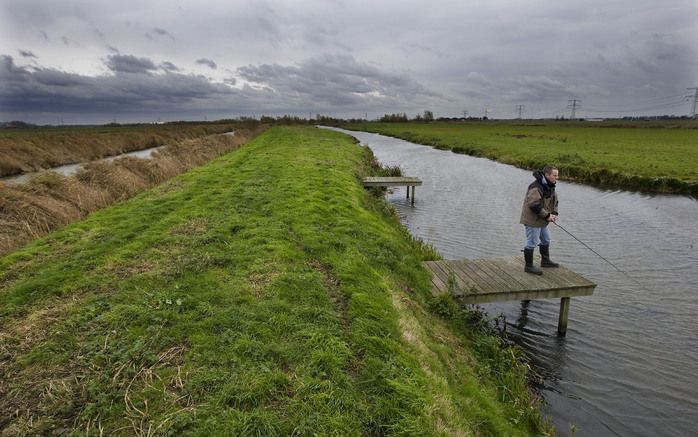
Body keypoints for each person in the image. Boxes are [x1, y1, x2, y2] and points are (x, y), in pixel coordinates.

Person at [520, 166, 560, 274]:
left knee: (546, 239)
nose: (557, 177)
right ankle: (528, 266)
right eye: (554, 175)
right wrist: (547, 216)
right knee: (532, 243)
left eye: (557, 175)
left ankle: (545, 261)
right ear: (547, 175)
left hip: (542, 219)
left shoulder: (550, 185)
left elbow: (555, 200)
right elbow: (533, 204)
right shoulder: (536, 186)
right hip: (532, 220)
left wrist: (554, 213)